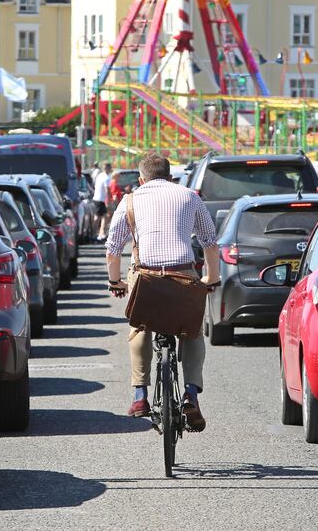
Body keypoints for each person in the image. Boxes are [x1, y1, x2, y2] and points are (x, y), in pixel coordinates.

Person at [105, 153, 220, 432]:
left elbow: (113, 248)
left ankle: (140, 395)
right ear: (171, 177)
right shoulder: (190, 196)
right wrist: (210, 278)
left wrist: (115, 282)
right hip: (183, 273)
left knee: (139, 325)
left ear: (141, 179)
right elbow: (210, 241)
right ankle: (191, 393)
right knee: (192, 330)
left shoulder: (130, 200)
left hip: (144, 274)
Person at [93, 163, 112, 241]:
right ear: (107, 168)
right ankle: (98, 233)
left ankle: (99, 233)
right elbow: (107, 190)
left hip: (96, 198)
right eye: (110, 168)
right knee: (101, 217)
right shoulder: (106, 178)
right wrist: (108, 201)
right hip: (101, 199)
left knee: (101, 216)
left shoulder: (100, 175)